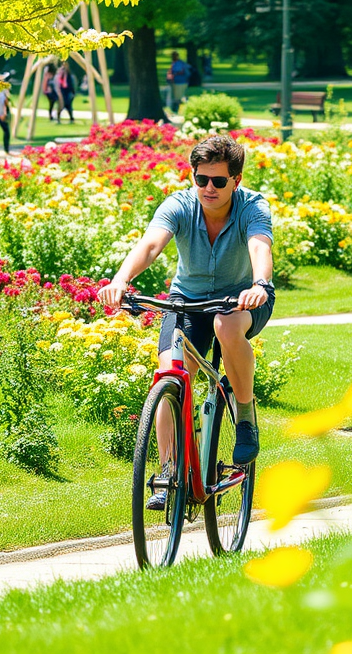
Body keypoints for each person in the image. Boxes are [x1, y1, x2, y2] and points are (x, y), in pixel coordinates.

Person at [97, 135, 274, 509]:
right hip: (188, 301)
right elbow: (150, 245)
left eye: (219, 181)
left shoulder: (253, 206)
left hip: (242, 299)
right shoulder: (179, 204)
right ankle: (167, 471)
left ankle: (244, 415)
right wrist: (119, 280)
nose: (208, 188)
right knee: (169, 373)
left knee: (226, 327)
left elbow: (260, 245)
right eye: (201, 179)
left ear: (236, 181)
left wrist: (259, 284)